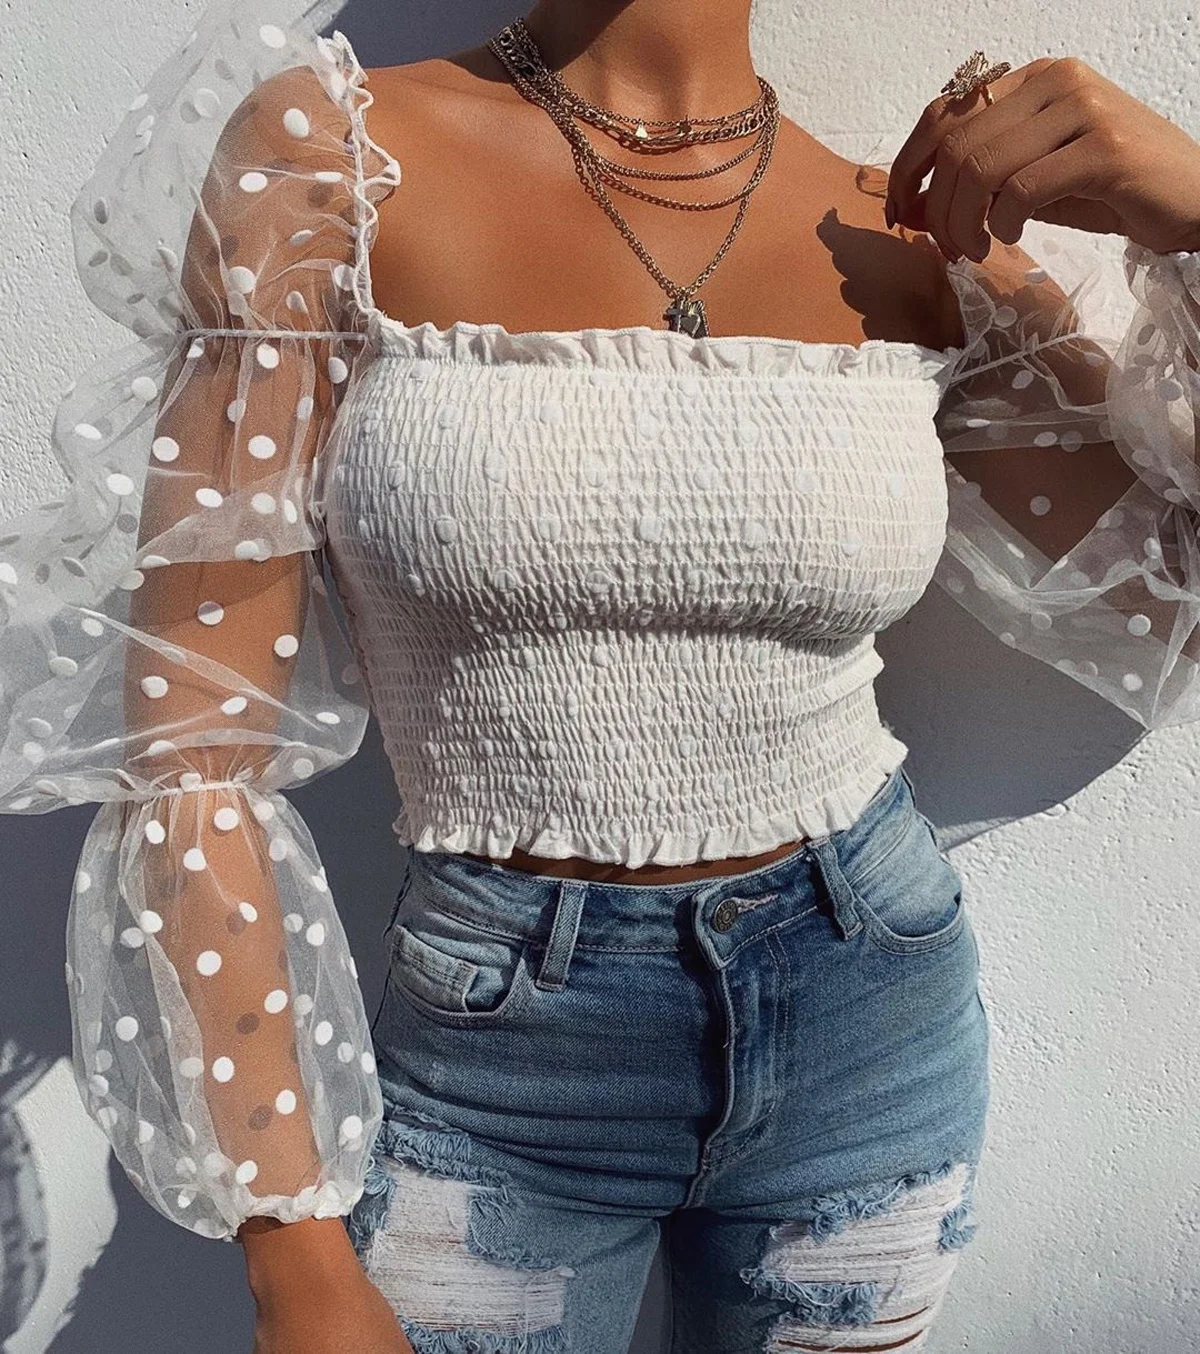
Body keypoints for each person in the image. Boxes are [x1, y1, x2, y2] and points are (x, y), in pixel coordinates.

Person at [2, 0, 1199, 1349]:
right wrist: (292, 1243)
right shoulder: (324, 160)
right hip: (496, 1066)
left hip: (869, 1023)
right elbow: (192, 748)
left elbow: (1167, 571)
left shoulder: (906, 238)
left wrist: (1192, 215)